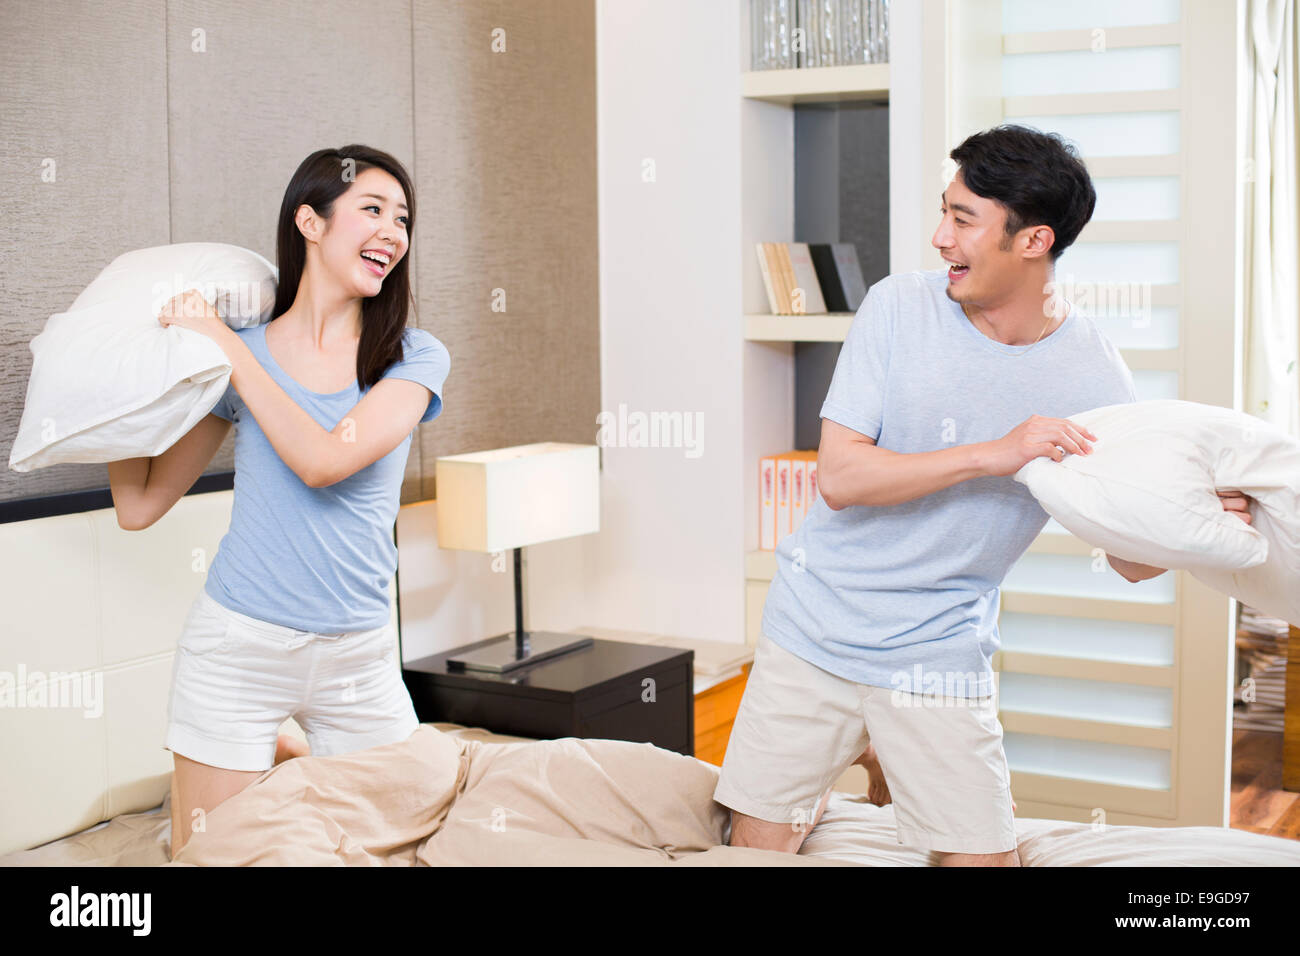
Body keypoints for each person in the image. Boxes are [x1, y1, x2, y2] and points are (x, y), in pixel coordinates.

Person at [714, 124, 1255, 866]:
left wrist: (1197, 523)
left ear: (1033, 241)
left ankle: (885, 743)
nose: (940, 237)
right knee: (755, 850)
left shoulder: (1092, 374)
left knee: (982, 863)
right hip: (815, 621)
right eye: (945, 211)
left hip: (938, 645)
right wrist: (996, 455)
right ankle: (866, 746)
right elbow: (840, 478)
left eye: (963, 219)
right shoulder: (897, 307)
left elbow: (1131, 563)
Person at [106, 145, 450, 861]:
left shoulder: (412, 358)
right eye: (373, 209)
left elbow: (325, 459)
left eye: (404, 218)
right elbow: (138, 505)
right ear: (310, 222)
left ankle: (286, 753)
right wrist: (119, 390)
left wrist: (231, 350)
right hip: (239, 648)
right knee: (209, 853)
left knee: (406, 840)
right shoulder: (235, 358)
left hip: (358, 654)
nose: (394, 231)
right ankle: (271, 750)